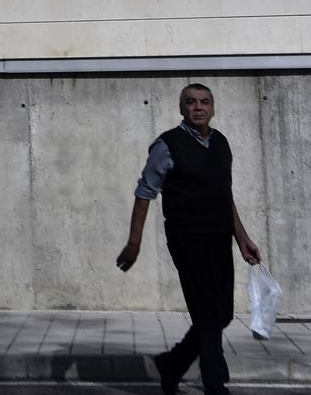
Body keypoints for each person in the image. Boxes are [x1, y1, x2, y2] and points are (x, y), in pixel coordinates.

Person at [116, 83, 262, 395]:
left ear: (213, 108)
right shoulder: (168, 145)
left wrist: (242, 238)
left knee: (222, 314)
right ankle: (215, 385)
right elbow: (145, 193)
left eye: (204, 102)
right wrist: (134, 243)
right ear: (182, 109)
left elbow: (224, 196)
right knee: (208, 313)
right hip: (188, 240)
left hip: (219, 239)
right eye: (191, 102)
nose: (198, 107)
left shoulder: (220, 143)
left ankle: (172, 364)